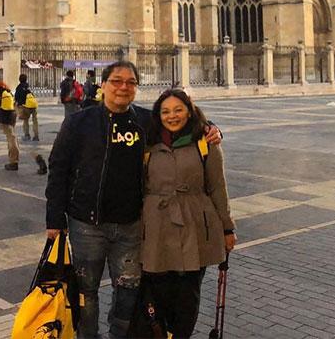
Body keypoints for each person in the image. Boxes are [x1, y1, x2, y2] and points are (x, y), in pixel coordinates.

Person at [45, 61, 222, 339]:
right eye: (116, 81)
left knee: (127, 293)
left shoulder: (144, 120)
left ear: (136, 88)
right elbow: (58, 170)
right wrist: (54, 219)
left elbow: (179, 120)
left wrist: (211, 128)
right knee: (86, 293)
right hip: (87, 225)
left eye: (130, 82)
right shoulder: (79, 122)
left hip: (130, 226)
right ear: (103, 85)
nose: (123, 87)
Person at [134, 89, 236, 339]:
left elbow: (217, 187)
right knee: (157, 289)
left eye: (178, 110)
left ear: (189, 111)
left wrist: (227, 228)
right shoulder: (148, 143)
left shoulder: (205, 142)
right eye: (166, 111)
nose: (172, 116)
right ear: (158, 115)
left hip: (194, 225)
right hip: (157, 225)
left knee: (188, 292)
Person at [15, 73, 40, 142]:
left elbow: (17, 98)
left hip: (25, 106)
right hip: (33, 105)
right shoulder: (28, 86)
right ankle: (36, 136)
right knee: (35, 121)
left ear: (19, 79)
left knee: (26, 121)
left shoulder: (19, 87)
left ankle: (27, 135)